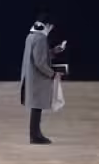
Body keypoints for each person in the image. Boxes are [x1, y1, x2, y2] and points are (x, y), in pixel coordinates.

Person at [20, 13, 67, 144]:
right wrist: (52, 74)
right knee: (37, 107)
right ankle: (35, 135)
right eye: (51, 27)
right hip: (38, 78)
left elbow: (40, 55)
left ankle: (35, 134)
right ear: (47, 25)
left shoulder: (31, 36)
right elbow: (40, 62)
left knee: (36, 107)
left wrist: (55, 50)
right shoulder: (40, 38)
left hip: (31, 76)